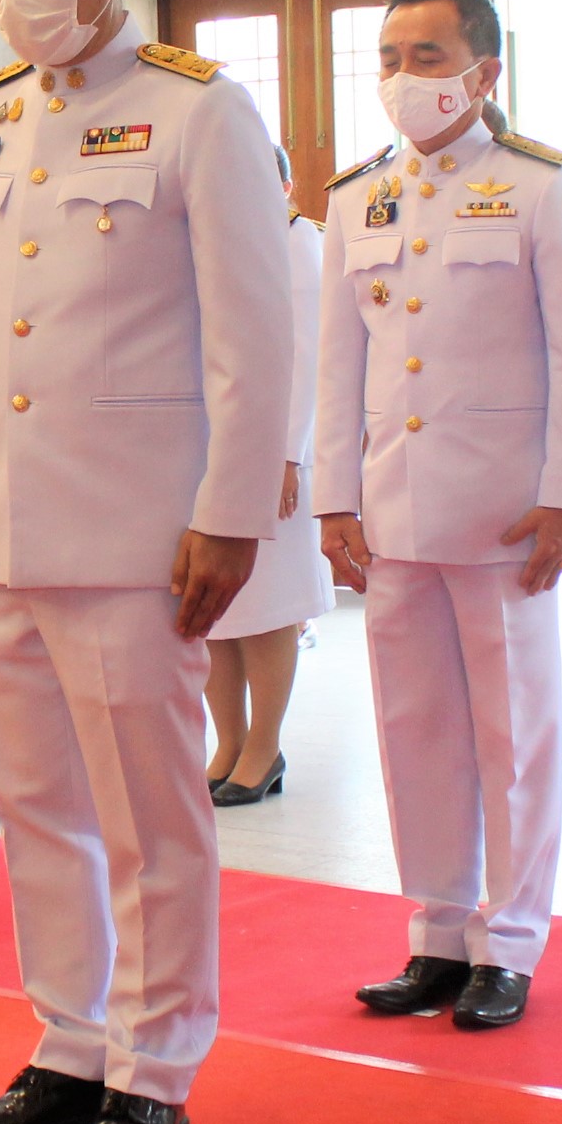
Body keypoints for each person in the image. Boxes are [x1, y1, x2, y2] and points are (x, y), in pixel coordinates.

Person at [0, 0, 295, 1124]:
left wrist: (231, 512)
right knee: (34, 805)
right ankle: (69, 1043)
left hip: (137, 532)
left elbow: (255, 333)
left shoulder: (199, 112)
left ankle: (156, 1064)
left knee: (148, 812)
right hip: (1, 527)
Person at [320, 0, 562, 1032]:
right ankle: (438, 932)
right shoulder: (358, 197)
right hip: (394, 511)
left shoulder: (540, 185)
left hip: (504, 515)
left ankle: (511, 940)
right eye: (390, 58)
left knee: (514, 733)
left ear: (485, 73)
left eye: (428, 57)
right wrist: (335, 499)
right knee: (416, 730)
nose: (404, 77)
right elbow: (336, 366)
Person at [206, 154, 331, 806]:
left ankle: (264, 745)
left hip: (276, 450)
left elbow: (307, 357)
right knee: (213, 605)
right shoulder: (219, 240)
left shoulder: (300, 242)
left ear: (285, 185)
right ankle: (227, 742)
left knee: (268, 609)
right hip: (213, 444)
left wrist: (287, 454)